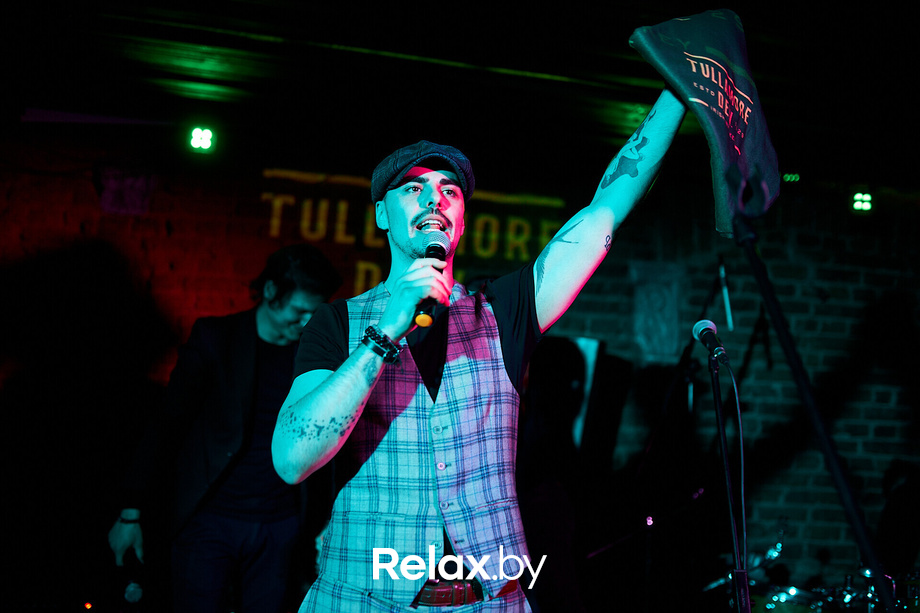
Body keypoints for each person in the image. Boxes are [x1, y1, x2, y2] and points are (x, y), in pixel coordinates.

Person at [272, 88, 687, 611]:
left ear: (463, 217)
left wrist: (679, 89)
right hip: (361, 598)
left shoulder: (504, 308)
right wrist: (384, 335)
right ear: (381, 214)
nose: (433, 200)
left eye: (450, 190)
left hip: (489, 601)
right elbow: (291, 460)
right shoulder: (338, 323)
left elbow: (607, 208)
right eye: (412, 189)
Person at [108, 243, 342, 613]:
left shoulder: (316, 357)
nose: (306, 322)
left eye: (314, 313)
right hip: (209, 522)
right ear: (270, 292)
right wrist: (130, 511)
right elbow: (167, 425)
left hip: (279, 527)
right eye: (300, 311)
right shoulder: (216, 339)